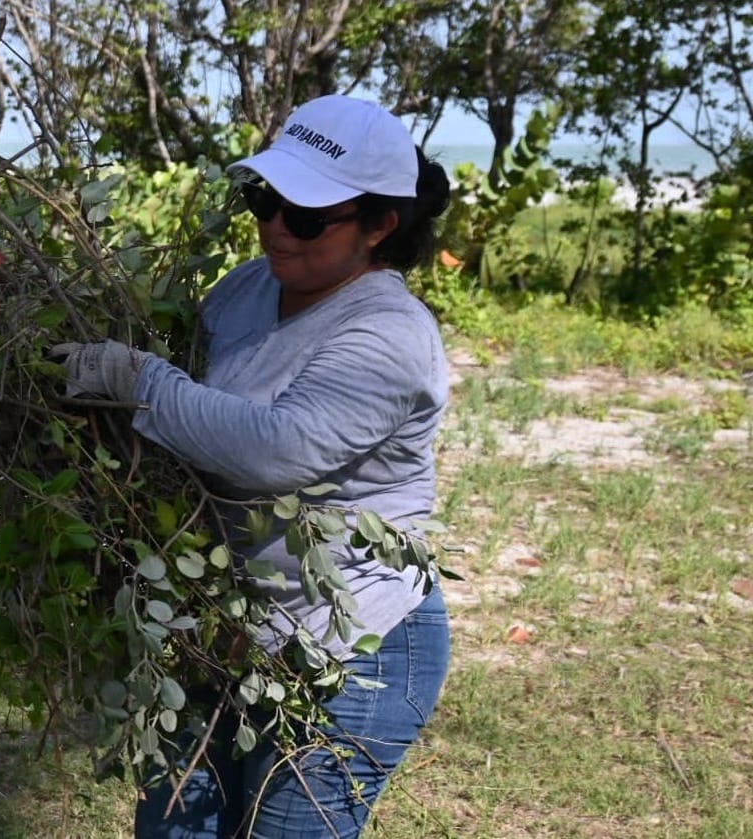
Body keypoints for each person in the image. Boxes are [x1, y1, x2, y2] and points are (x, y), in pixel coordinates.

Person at [55, 93, 452, 839]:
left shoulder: (388, 333)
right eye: (263, 198)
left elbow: (277, 449)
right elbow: (185, 422)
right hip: (222, 632)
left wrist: (139, 381)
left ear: (380, 225)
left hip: (351, 651)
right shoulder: (245, 286)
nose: (274, 225)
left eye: (305, 216)